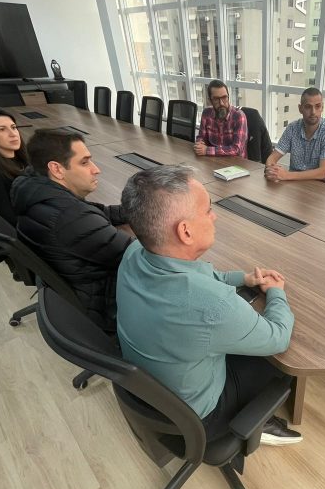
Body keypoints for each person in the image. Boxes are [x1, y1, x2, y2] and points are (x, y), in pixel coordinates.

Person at [116, 165, 302, 445]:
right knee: (280, 364)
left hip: (152, 391)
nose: (214, 216)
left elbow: (199, 276)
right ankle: (256, 422)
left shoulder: (134, 252)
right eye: (207, 210)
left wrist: (245, 278)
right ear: (186, 232)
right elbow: (278, 337)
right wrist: (276, 293)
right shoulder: (211, 304)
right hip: (200, 418)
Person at [10, 129, 133, 333]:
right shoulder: (69, 216)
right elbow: (136, 255)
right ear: (57, 169)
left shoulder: (36, 188)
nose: (96, 169)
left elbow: (96, 212)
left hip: (77, 284)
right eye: (84, 162)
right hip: (106, 302)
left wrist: (141, 211)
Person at [264, 87, 325, 182]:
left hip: (322, 186)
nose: (313, 112)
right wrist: (272, 171)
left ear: (322, 108)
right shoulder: (292, 128)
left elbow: (323, 173)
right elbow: (272, 158)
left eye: (317, 106)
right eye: (308, 107)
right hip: (294, 183)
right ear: (300, 109)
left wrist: (286, 175)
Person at [194, 80, 248, 157]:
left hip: (236, 164)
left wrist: (207, 150)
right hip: (213, 161)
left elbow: (237, 149)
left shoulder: (239, 116)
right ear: (210, 100)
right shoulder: (206, 113)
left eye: (224, 97)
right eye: (216, 99)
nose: (221, 103)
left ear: (228, 97)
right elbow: (201, 137)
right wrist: (199, 145)